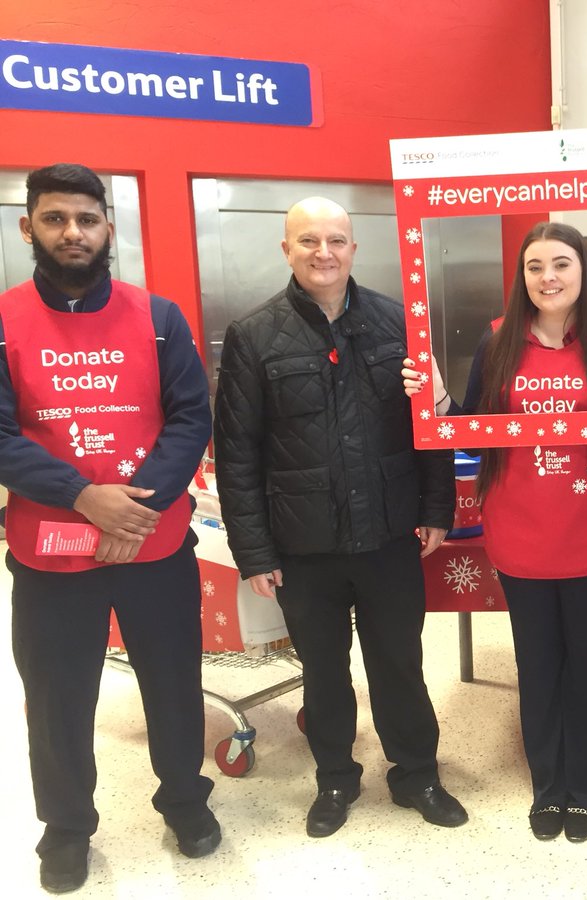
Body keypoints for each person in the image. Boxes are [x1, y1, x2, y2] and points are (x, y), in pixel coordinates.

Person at [213, 197, 465, 839]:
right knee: (323, 672)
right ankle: (334, 780)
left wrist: (439, 506)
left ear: (354, 248)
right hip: (304, 545)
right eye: (308, 241)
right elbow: (237, 453)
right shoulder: (253, 336)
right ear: (286, 249)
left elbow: (429, 424)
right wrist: (255, 551)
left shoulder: (398, 322)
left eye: (336, 240)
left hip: (388, 534)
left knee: (399, 663)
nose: (323, 252)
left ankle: (417, 774)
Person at [0, 163, 220, 893]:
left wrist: (139, 506)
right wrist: (85, 497)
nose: (73, 232)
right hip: (50, 549)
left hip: (153, 544)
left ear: (108, 230)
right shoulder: (3, 323)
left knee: (173, 680)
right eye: (57, 218)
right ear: (28, 226)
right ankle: (65, 828)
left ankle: (185, 799)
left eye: (87, 220)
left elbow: (192, 416)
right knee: (57, 695)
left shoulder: (158, 318)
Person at [402, 221, 587, 843]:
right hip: (519, 533)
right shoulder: (497, 346)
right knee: (537, 667)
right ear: (522, 277)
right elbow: (473, 431)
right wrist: (435, 405)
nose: (548, 277)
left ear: (582, 272)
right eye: (536, 266)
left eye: (561, 264)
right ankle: (549, 786)